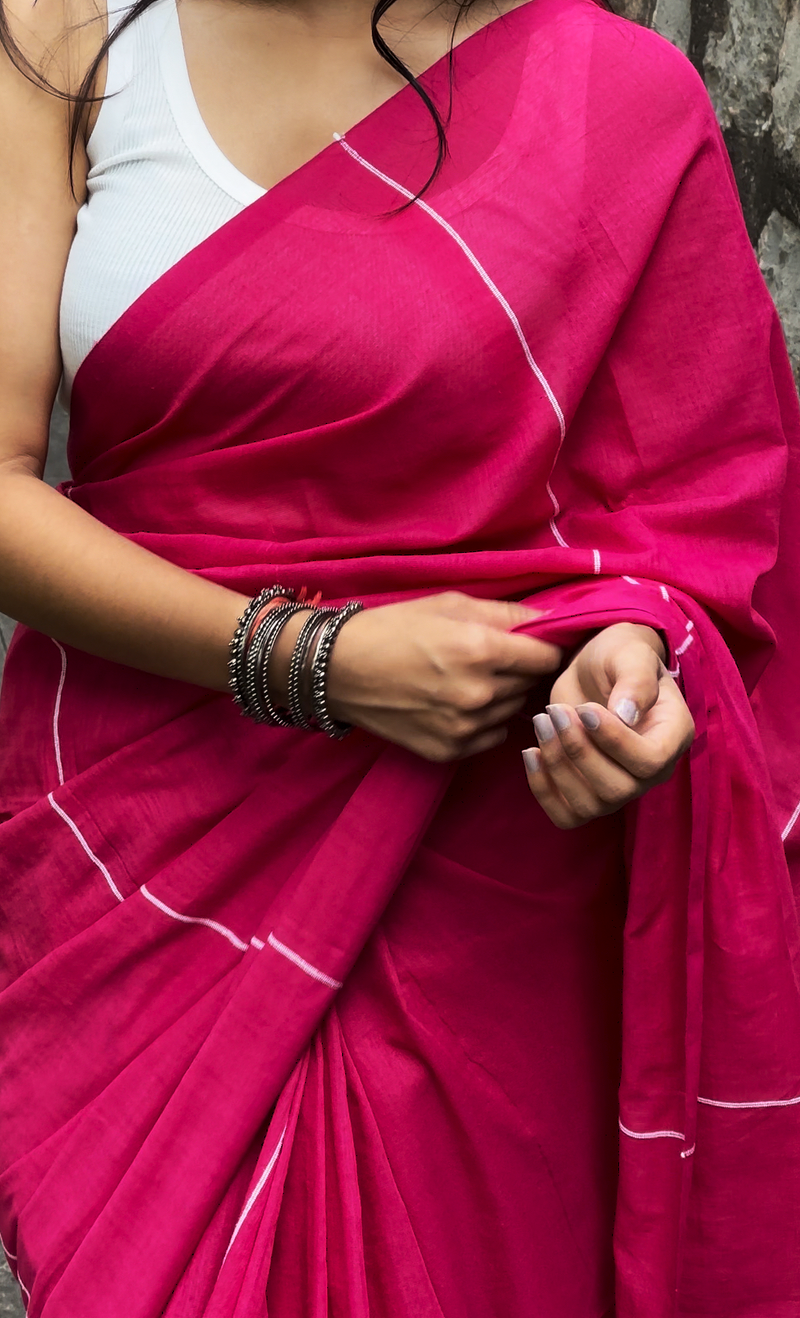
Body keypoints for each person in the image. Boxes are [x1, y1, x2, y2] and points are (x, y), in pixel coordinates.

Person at [0, 0, 798, 1311]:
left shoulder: (610, 98)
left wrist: (628, 666)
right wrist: (307, 657)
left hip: (481, 896)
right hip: (148, 862)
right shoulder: (70, 34)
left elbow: (690, 511)